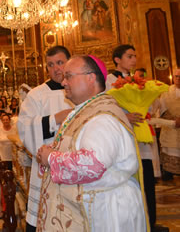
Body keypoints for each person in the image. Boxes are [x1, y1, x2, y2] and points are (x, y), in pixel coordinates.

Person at [36, 55, 147, 231]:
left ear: (91, 77)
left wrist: (51, 158)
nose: (64, 82)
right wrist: (52, 154)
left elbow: (93, 164)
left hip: (104, 211)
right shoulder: (86, 111)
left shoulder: (102, 117)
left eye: (69, 76)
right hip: (92, 204)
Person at [105, 44, 166, 232]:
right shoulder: (109, 80)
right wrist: (126, 116)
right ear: (117, 59)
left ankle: (151, 221)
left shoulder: (137, 80)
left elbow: (149, 103)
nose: (134, 59)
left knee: (147, 179)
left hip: (141, 134)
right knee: (131, 181)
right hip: (123, 137)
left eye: (135, 56)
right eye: (130, 56)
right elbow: (106, 107)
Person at [17, 45, 74, 231]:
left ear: (69, 62)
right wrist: (54, 119)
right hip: (46, 167)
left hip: (76, 165)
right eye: (50, 65)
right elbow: (24, 129)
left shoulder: (80, 88)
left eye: (60, 62)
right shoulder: (37, 95)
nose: (56, 68)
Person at [156, 68, 180, 177]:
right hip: (171, 130)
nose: (179, 79)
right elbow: (161, 111)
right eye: (177, 76)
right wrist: (173, 120)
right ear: (173, 78)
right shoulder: (166, 92)